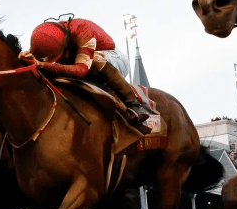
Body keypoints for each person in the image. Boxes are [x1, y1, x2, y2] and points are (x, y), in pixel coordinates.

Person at [24, 17, 153, 129]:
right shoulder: (47, 35)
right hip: (82, 61)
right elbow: (37, 57)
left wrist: (42, 64)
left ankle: (134, 104)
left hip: (115, 59)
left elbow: (81, 70)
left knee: (95, 59)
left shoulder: (83, 30)